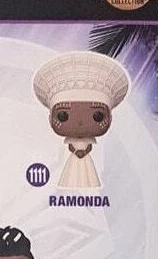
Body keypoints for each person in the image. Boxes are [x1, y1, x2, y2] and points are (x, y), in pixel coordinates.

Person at [32, 51, 130, 189]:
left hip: (82, 155)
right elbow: (73, 146)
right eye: (63, 116)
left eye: (97, 116)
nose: (80, 123)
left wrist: (83, 152)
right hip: (76, 155)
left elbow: (87, 146)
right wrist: (76, 151)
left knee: (85, 173)